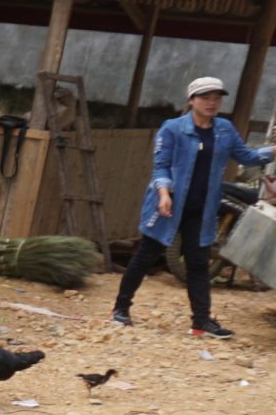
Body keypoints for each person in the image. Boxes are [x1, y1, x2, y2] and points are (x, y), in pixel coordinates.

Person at [112, 76, 274, 338]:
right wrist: (164, 193)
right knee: (145, 257)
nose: (212, 103)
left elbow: (248, 156)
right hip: (169, 205)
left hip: (203, 207)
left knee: (198, 264)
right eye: (205, 97)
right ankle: (121, 308)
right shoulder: (173, 128)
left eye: (216, 98)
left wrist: (273, 150)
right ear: (191, 100)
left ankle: (201, 322)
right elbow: (161, 166)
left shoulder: (224, 129)